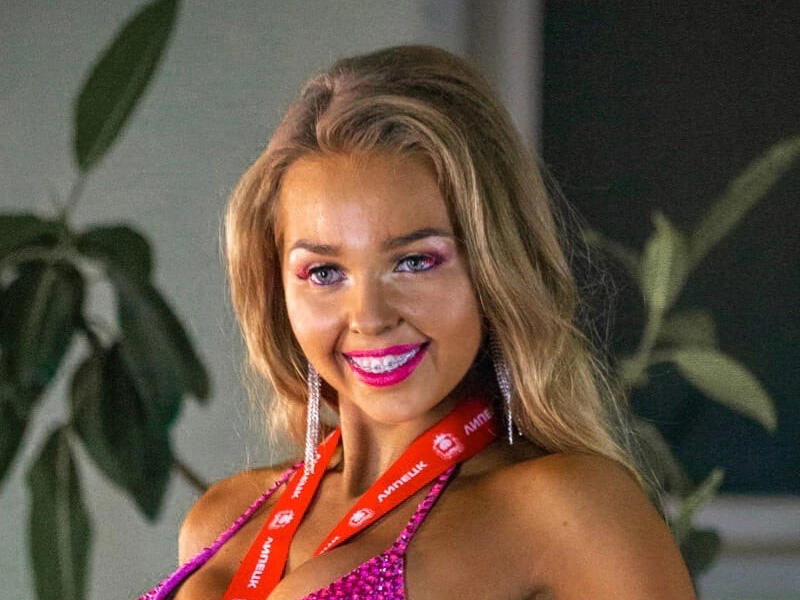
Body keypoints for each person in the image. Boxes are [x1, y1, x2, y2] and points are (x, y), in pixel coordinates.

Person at [141, 45, 695, 600]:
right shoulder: (222, 517)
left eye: (415, 262)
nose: (370, 317)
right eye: (324, 272)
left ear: (494, 267)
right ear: (276, 287)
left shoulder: (567, 511)